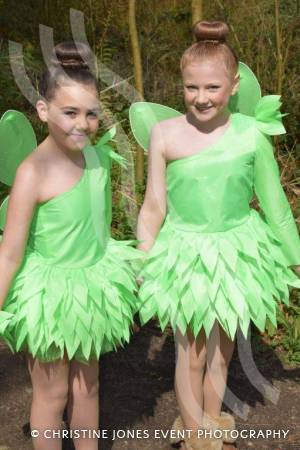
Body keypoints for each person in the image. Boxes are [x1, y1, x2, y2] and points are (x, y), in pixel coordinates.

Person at [130, 21, 300, 450]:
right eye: (191, 87)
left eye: (212, 87)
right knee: (191, 353)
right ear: (181, 85)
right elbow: (154, 205)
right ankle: (193, 436)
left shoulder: (251, 135)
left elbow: (275, 204)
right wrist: (142, 259)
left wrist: (296, 257)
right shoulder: (164, 134)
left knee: (222, 351)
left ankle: (209, 420)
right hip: (185, 256)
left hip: (238, 252)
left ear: (234, 84)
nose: (201, 98)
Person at [0, 41, 139, 450]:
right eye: (70, 113)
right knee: (52, 392)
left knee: (88, 385)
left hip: (90, 292)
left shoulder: (97, 160)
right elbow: (10, 251)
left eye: (92, 113)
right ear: (43, 111)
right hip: (50, 299)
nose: (83, 124)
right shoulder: (33, 172)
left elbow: (98, 229)